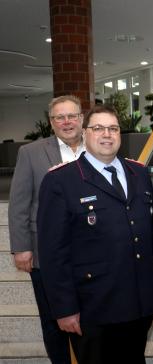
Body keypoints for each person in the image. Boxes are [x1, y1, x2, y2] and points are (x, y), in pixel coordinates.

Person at [37, 105, 153, 364]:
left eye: (113, 128)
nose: (106, 134)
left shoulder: (139, 173)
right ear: (85, 133)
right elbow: (53, 253)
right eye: (98, 128)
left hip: (139, 301)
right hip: (93, 307)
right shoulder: (61, 181)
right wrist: (64, 308)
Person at [8, 95, 86, 364]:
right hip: (45, 252)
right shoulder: (30, 153)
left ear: (81, 118)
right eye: (59, 117)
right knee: (53, 319)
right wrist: (21, 247)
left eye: (72, 116)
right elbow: (19, 203)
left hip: (89, 250)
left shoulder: (99, 147)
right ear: (51, 122)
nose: (67, 122)